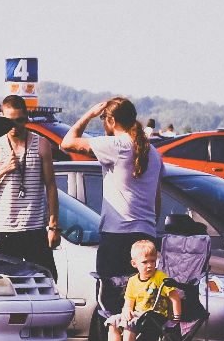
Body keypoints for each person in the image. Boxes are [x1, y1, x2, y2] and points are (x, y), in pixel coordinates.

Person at [61, 97, 161, 320]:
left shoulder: (116, 146)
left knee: (112, 305)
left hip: (117, 236)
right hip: (146, 235)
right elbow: (157, 199)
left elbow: (67, 143)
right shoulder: (153, 153)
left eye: (103, 119)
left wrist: (89, 113)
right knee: (141, 304)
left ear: (111, 120)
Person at [0, 94, 59, 276]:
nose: (14, 126)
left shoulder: (41, 144)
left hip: (34, 228)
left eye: (20, 120)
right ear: (2, 119)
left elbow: (51, 186)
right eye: (9, 121)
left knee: (47, 277)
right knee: (9, 282)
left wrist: (53, 226)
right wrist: (1, 170)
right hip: (7, 230)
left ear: (27, 118)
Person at [105, 238, 177, 341]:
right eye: (145, 262)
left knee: (129, 323)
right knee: (113, 321)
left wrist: (176, 317)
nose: (150, 265)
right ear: (134, 264)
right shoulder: (132, 281)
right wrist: (126, 311)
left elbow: (174, 296)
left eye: (152, 261)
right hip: (138, 314)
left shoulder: (160, 277)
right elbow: (129, 302)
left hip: (155, 315)